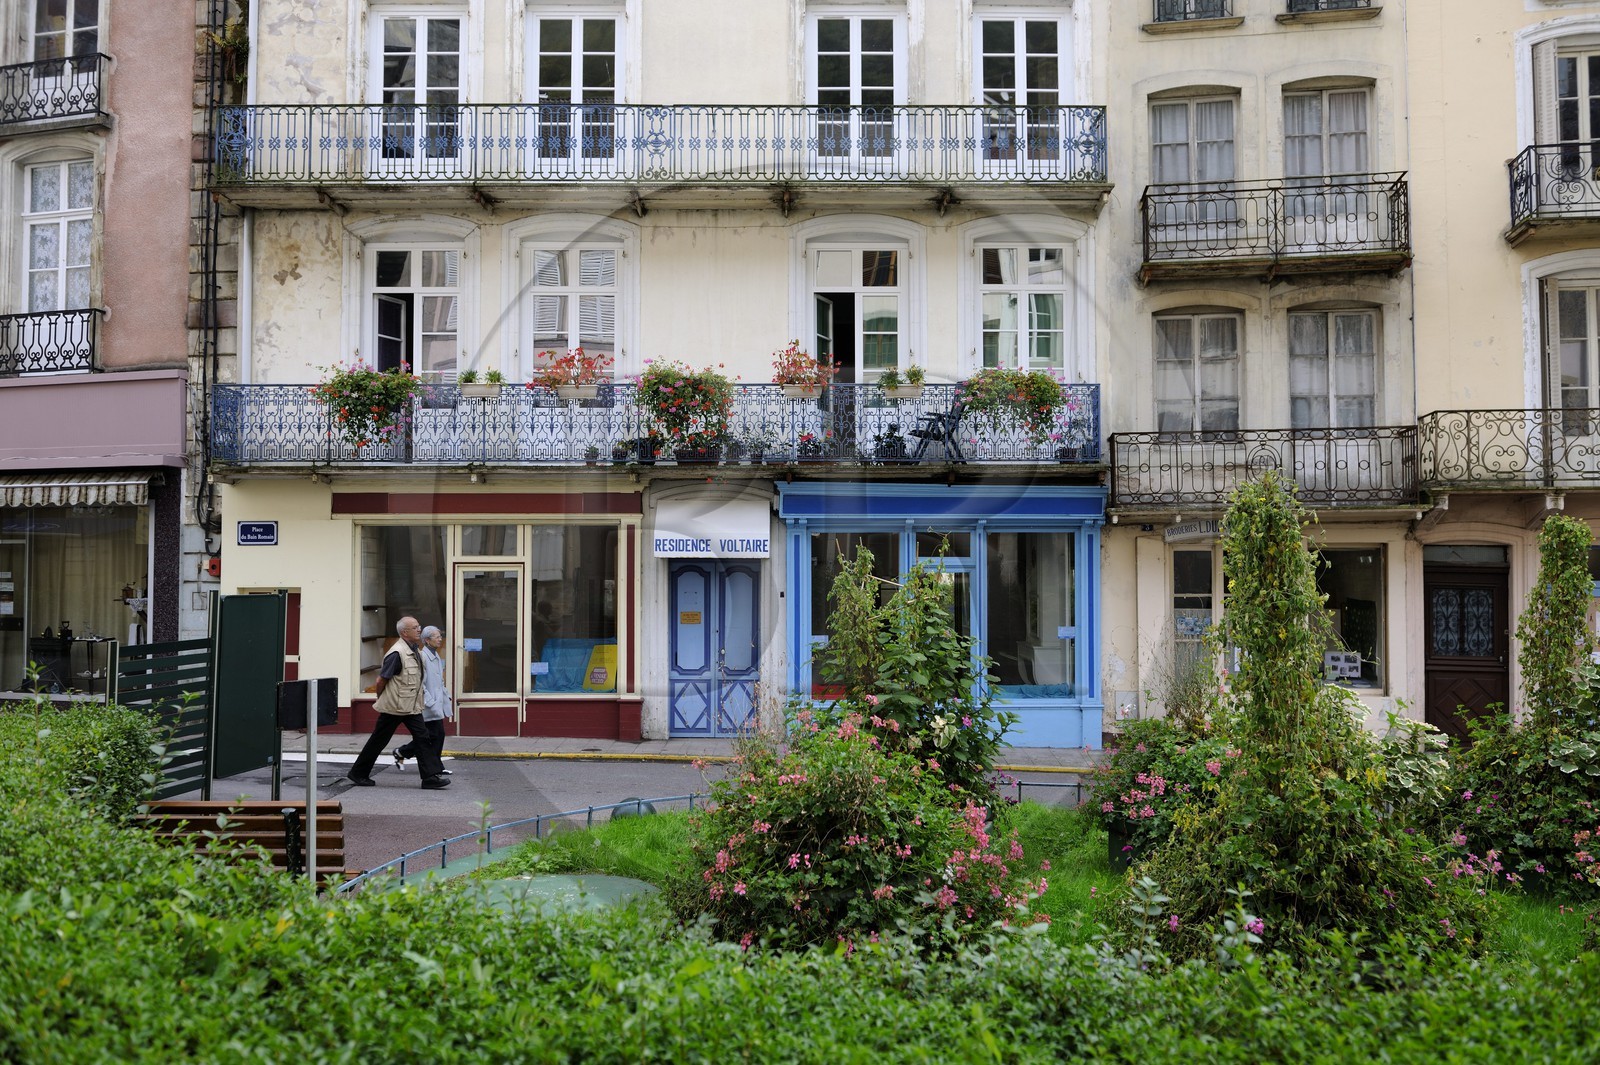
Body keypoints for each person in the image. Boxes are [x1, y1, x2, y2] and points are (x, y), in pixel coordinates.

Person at [346, 615, 450, 789]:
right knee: (378, 740)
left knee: (423, 738)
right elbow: (381, 680)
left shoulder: (414, 649)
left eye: (419, 626)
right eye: (415, 627)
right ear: (404, 632)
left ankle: (430, 777)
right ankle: (358, 773)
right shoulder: (397, 653)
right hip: (394, 707)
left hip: (411, 706)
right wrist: (382, 698)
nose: (419, 629)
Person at [394, 625, 452, 775]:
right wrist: (431, 702)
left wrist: (446, 696)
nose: (440, 639)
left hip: (437, 703)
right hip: (428, 704)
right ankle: (403, 752)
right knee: (431, 736)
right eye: (437, 637)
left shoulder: (436, 656)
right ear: (426, 640)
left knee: (437, 735)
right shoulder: (423, 657)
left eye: (440, 636)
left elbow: (440, 681)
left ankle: (433, 765)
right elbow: (421, 683)